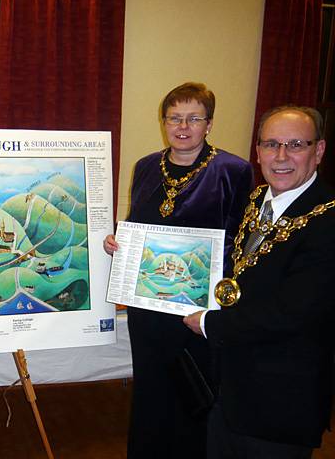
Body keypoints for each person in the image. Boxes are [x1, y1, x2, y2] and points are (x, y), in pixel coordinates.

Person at [103, 82, 254, 459]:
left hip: (198, 310)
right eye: (174, 117)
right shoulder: (145, 167)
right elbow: (136, 224)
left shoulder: (233, 170)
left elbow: (242, 239)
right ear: (164, 121)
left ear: (209, 124)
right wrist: (118, 245)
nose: (182, 126)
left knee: (194, 393)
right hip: (147, 310)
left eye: (193, 118)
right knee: (151, 392)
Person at [184, 106, 335, 459]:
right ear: (258, 150)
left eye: (296, 144)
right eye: (270, 144)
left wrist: (208, 322)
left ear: (319, 150)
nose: (281, 156)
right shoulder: (257, 199)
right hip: (230, 390)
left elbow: (292, 313)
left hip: (281, 402)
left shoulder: (328, 219)